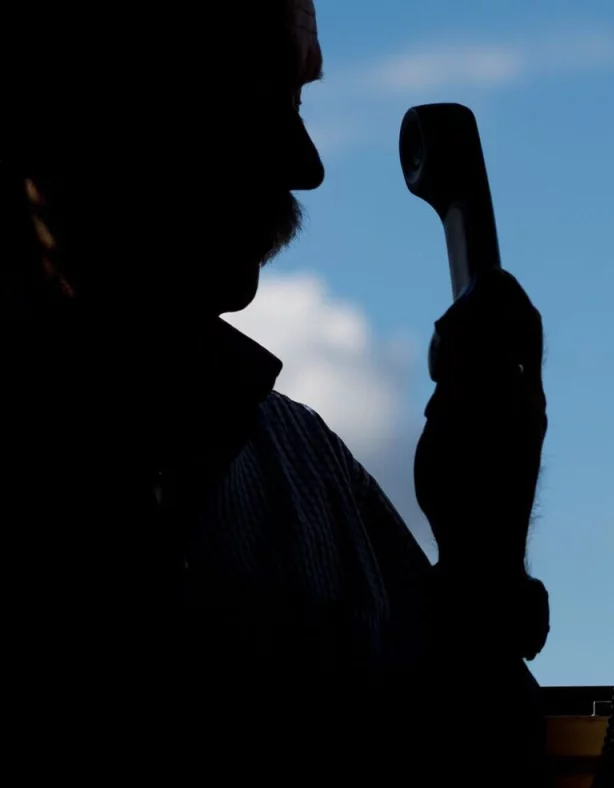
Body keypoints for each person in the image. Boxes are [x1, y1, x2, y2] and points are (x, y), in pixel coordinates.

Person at [2, 0, 550, 774]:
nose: (307, 163)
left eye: (297, 101)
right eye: (258, 98)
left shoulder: (307, 466)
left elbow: (466, 747)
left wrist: (481, 559)